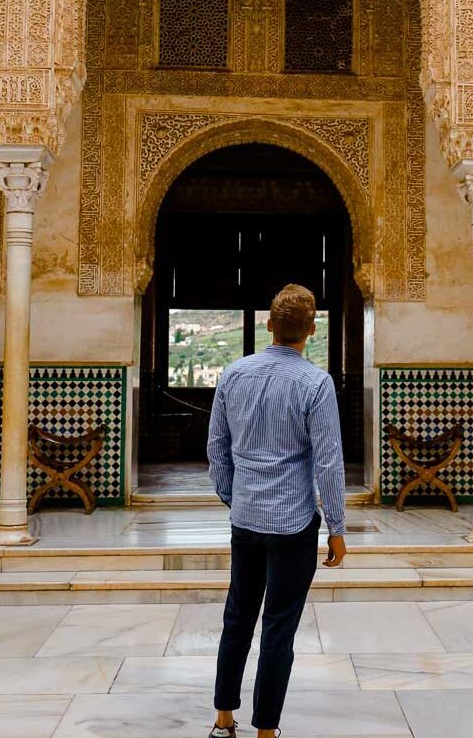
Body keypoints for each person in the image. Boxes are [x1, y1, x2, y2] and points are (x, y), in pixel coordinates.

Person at [206, 283, 347, 738]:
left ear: (268, 324)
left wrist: (235, 496)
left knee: (237, 617)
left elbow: (216, 450)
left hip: (246, 518)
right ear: (311, 329)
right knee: (279, 628)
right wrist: (337, 527)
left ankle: (224, 717)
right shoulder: (315, 383)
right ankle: (266, 730)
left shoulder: (233, 374)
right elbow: (328, 461)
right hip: (293, 525)